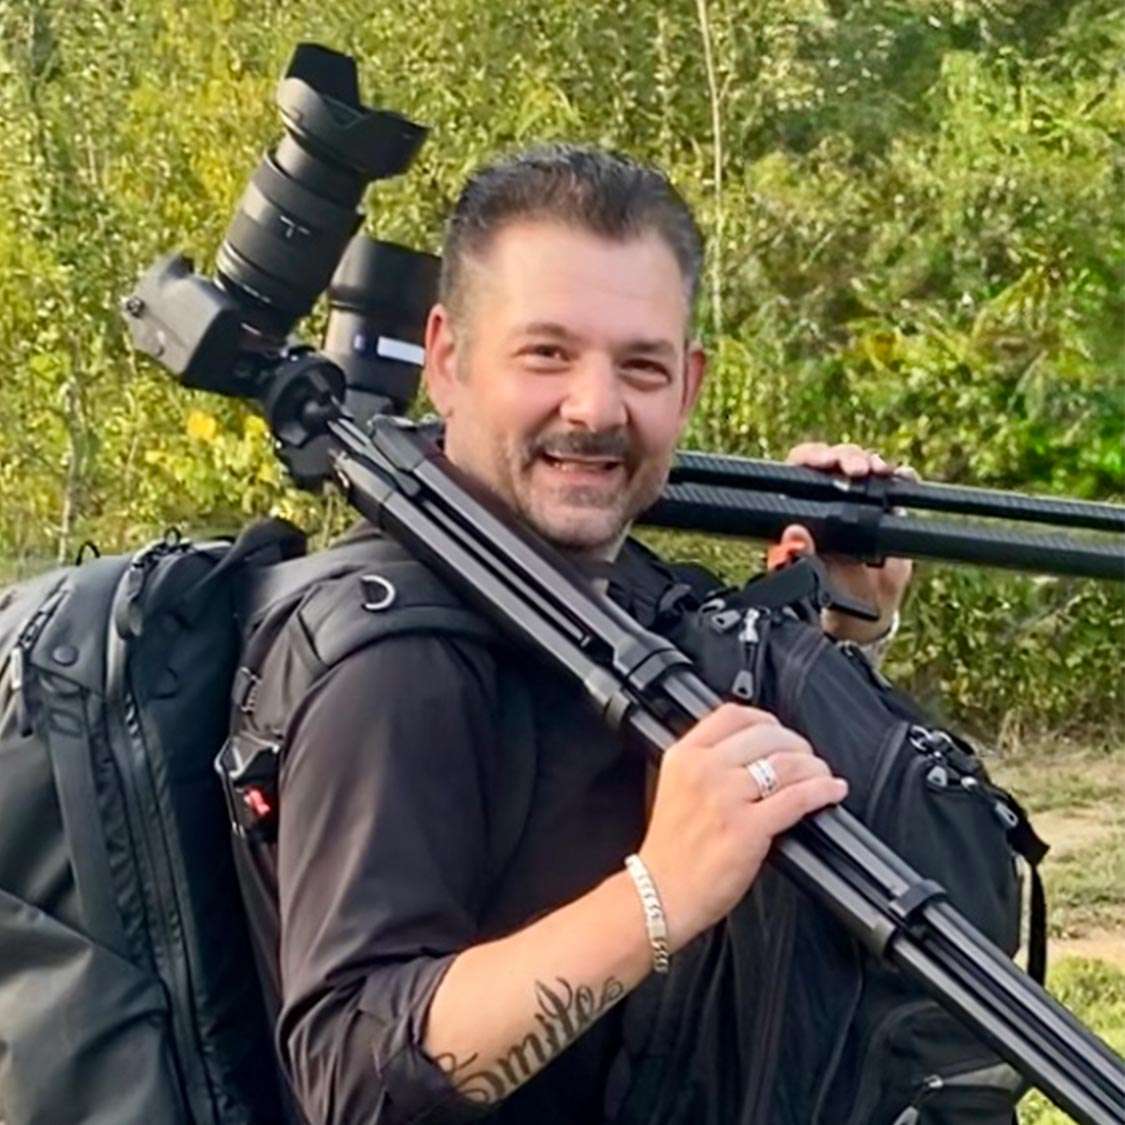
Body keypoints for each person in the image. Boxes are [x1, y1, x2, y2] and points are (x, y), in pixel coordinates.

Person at [258, 145, 914, 1123]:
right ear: (448, 359)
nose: (597, 407)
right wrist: (661, 894)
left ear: (687, 385)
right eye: (546, 353)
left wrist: (841, 619)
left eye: (640, 365)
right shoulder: (397, 663)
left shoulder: (601, 585)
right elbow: (356, 1080)